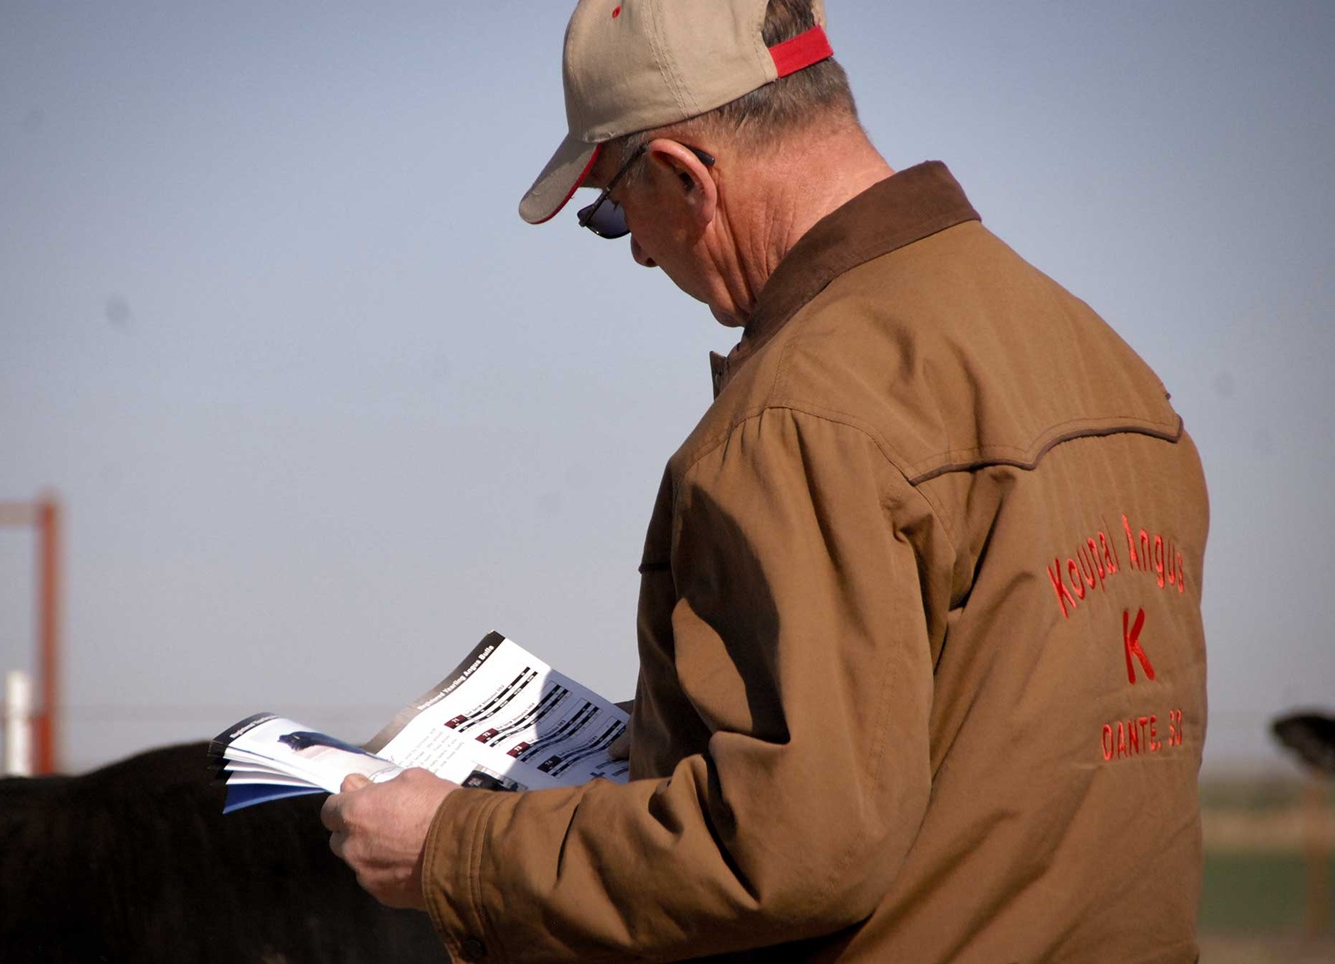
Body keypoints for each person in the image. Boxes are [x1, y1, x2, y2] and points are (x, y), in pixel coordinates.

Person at [321, 1, 1210, 960]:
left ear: (684, 175)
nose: (639, 250)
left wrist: (453, 849)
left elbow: (791, 850)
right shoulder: (1103, 360)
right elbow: (980, 733)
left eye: (613, 210)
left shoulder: (796, 415)